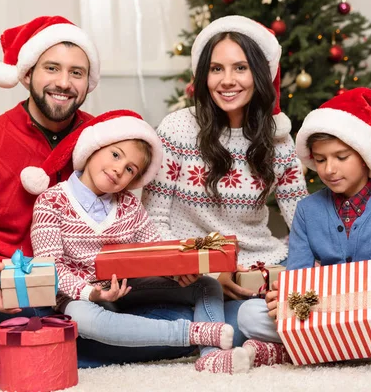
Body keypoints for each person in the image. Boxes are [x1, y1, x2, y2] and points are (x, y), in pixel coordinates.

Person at [0, 16, 192, 392]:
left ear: (87, 83)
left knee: (170, 328)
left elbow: (130, 226)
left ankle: (18, 350)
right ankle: (1, 348)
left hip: (72, 288)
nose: (64, 82)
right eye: (52, 68)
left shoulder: (109, 140)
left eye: (76, 72)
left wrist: (173, 265)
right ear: (27, 74)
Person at [29, 110, 252, 374]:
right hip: (77, 297)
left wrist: (177, 271)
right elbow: (50, 268)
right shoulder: (51, 201)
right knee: (83, 320)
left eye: (129, 169)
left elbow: (155, 249)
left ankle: (211, 356)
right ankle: (191, 334)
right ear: (93, 148)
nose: (118, 170)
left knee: (206, 285)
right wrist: (91, 293)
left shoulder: (129, 205)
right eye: (115, 155)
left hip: (127, 287)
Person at [238, 87, 371, 367]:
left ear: (365, 154)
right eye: (320, 160)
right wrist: (283, 300)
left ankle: (301, 351)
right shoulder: (307, 211)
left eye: (341, 157)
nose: (328, 169)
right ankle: (370, 350)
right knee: (249, 315)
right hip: (320, 312)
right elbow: (299, 273)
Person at [142, 15, 308, 347]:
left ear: (259, 74)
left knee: (261, 314)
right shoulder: (177, 129)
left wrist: (292, 275)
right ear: (203, 75)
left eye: (240, 68)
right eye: (216, 69)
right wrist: (203, 271)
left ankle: (226, 329)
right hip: (189, 268)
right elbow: (154, 220)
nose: (227, 80)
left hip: (257, 267)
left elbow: (303, 220)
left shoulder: (279, 140)